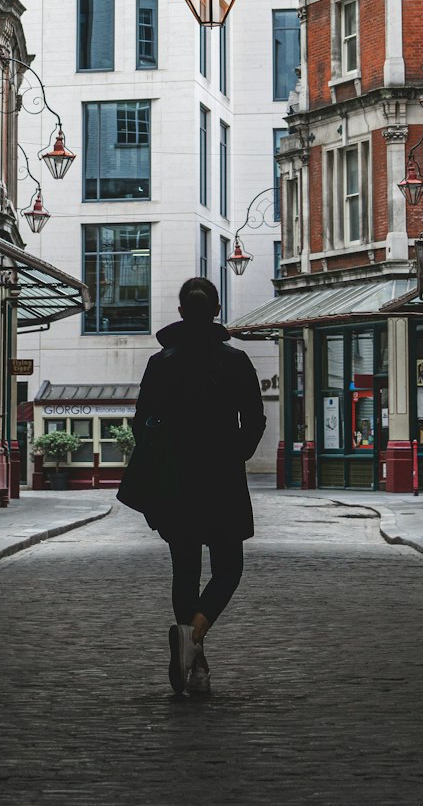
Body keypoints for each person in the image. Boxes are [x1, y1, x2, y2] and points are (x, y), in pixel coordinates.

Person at [117, 276, 266, 697]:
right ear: (216, 310)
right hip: (222, 482)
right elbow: (255, 422)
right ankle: (194, 642)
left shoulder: (161, 363)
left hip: (176, 482)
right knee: (229, 569)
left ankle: (194, 656)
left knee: (185, 570)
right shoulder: (236, 362)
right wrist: (233, 455)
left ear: (182, 312)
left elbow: (142, 422)